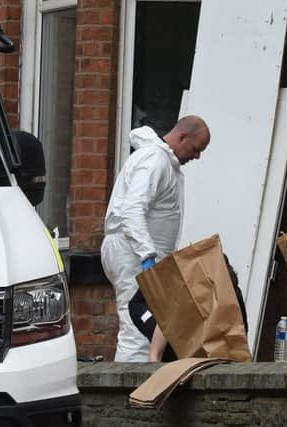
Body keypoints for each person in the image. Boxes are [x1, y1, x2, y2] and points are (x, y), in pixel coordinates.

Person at [101, 115, 210, 362]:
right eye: (196, 149)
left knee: (146, 328)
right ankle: (131, 395)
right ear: (182, 137)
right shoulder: (155, 161)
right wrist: (147, 256)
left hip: (135, 253)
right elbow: (132, 210)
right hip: (134, 255)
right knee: (137, 330)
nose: (196, 157)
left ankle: (140, 390)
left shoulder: (161, 161)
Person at [128, 253, 249, 362]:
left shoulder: (234, 298)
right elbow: (155, 354)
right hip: (142, 305)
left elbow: (238, 344)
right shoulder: (184, 299)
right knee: (170, 345)